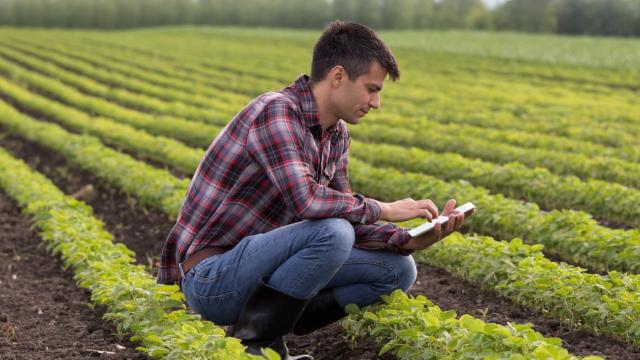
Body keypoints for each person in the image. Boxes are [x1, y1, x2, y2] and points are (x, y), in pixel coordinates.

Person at [157, 20, 468, 360]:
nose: (376, 102)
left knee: (398, 269)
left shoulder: (336, 135)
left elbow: (347, 213)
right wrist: (386, 208)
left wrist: (407, 239)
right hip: (212, 279)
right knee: (332, 233)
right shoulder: (276, 112)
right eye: (371, 88)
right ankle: (256, 345)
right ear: (338, 77)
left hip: (261, 272)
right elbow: (309, 202)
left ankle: (270, 327)